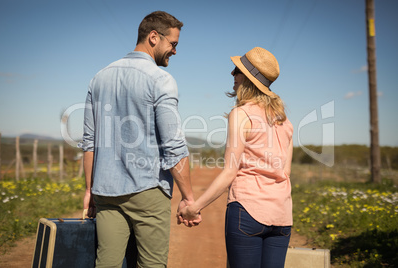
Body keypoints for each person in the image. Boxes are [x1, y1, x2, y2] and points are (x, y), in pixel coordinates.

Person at [79, 11, 201, 268]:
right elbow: (174, 147)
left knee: (107, 264)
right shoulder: (161, 80)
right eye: (173, 44)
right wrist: (188, 198)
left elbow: (90, 142)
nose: (175, 51)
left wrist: (90, 190)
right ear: (154, 37)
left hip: (106, 193)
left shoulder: (98, 78)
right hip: (148, 190)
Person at [178, 47, 294, 268]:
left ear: (248, 79)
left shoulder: (241, 114)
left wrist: (195, 207)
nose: (233, 75)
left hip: (247, 212)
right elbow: (285, 172)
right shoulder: (285, 122)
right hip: (281, 216)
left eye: (237, 70)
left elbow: (230, 171)